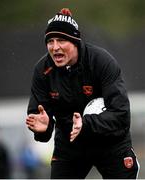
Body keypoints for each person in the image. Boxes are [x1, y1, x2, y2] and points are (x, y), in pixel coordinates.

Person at [26, 8, 140, 179]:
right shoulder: (43, 71)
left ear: (75, 41)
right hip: (70, 143)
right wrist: (43, 129)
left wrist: (85, 124)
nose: (55, 47)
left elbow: (121, 115)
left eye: (61, 40)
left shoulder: (101, 61)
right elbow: (40, 119)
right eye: (50, 41)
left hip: (110, 142)